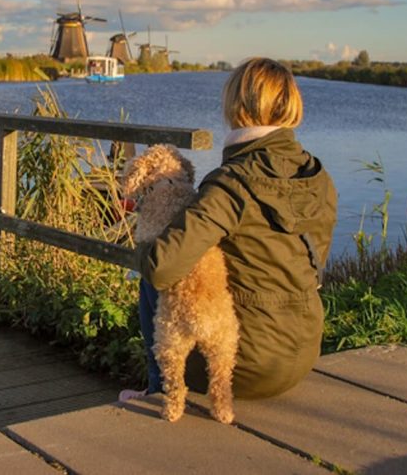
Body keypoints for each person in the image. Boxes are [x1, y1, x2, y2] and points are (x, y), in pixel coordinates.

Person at [124, 57, 337, 401]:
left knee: (154, 273)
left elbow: (163, 269)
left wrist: (152, 227)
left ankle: (158, 388)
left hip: (242, 366)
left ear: (236, 105)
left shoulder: (230, 183)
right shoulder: (318, 175)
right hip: (302, 355)